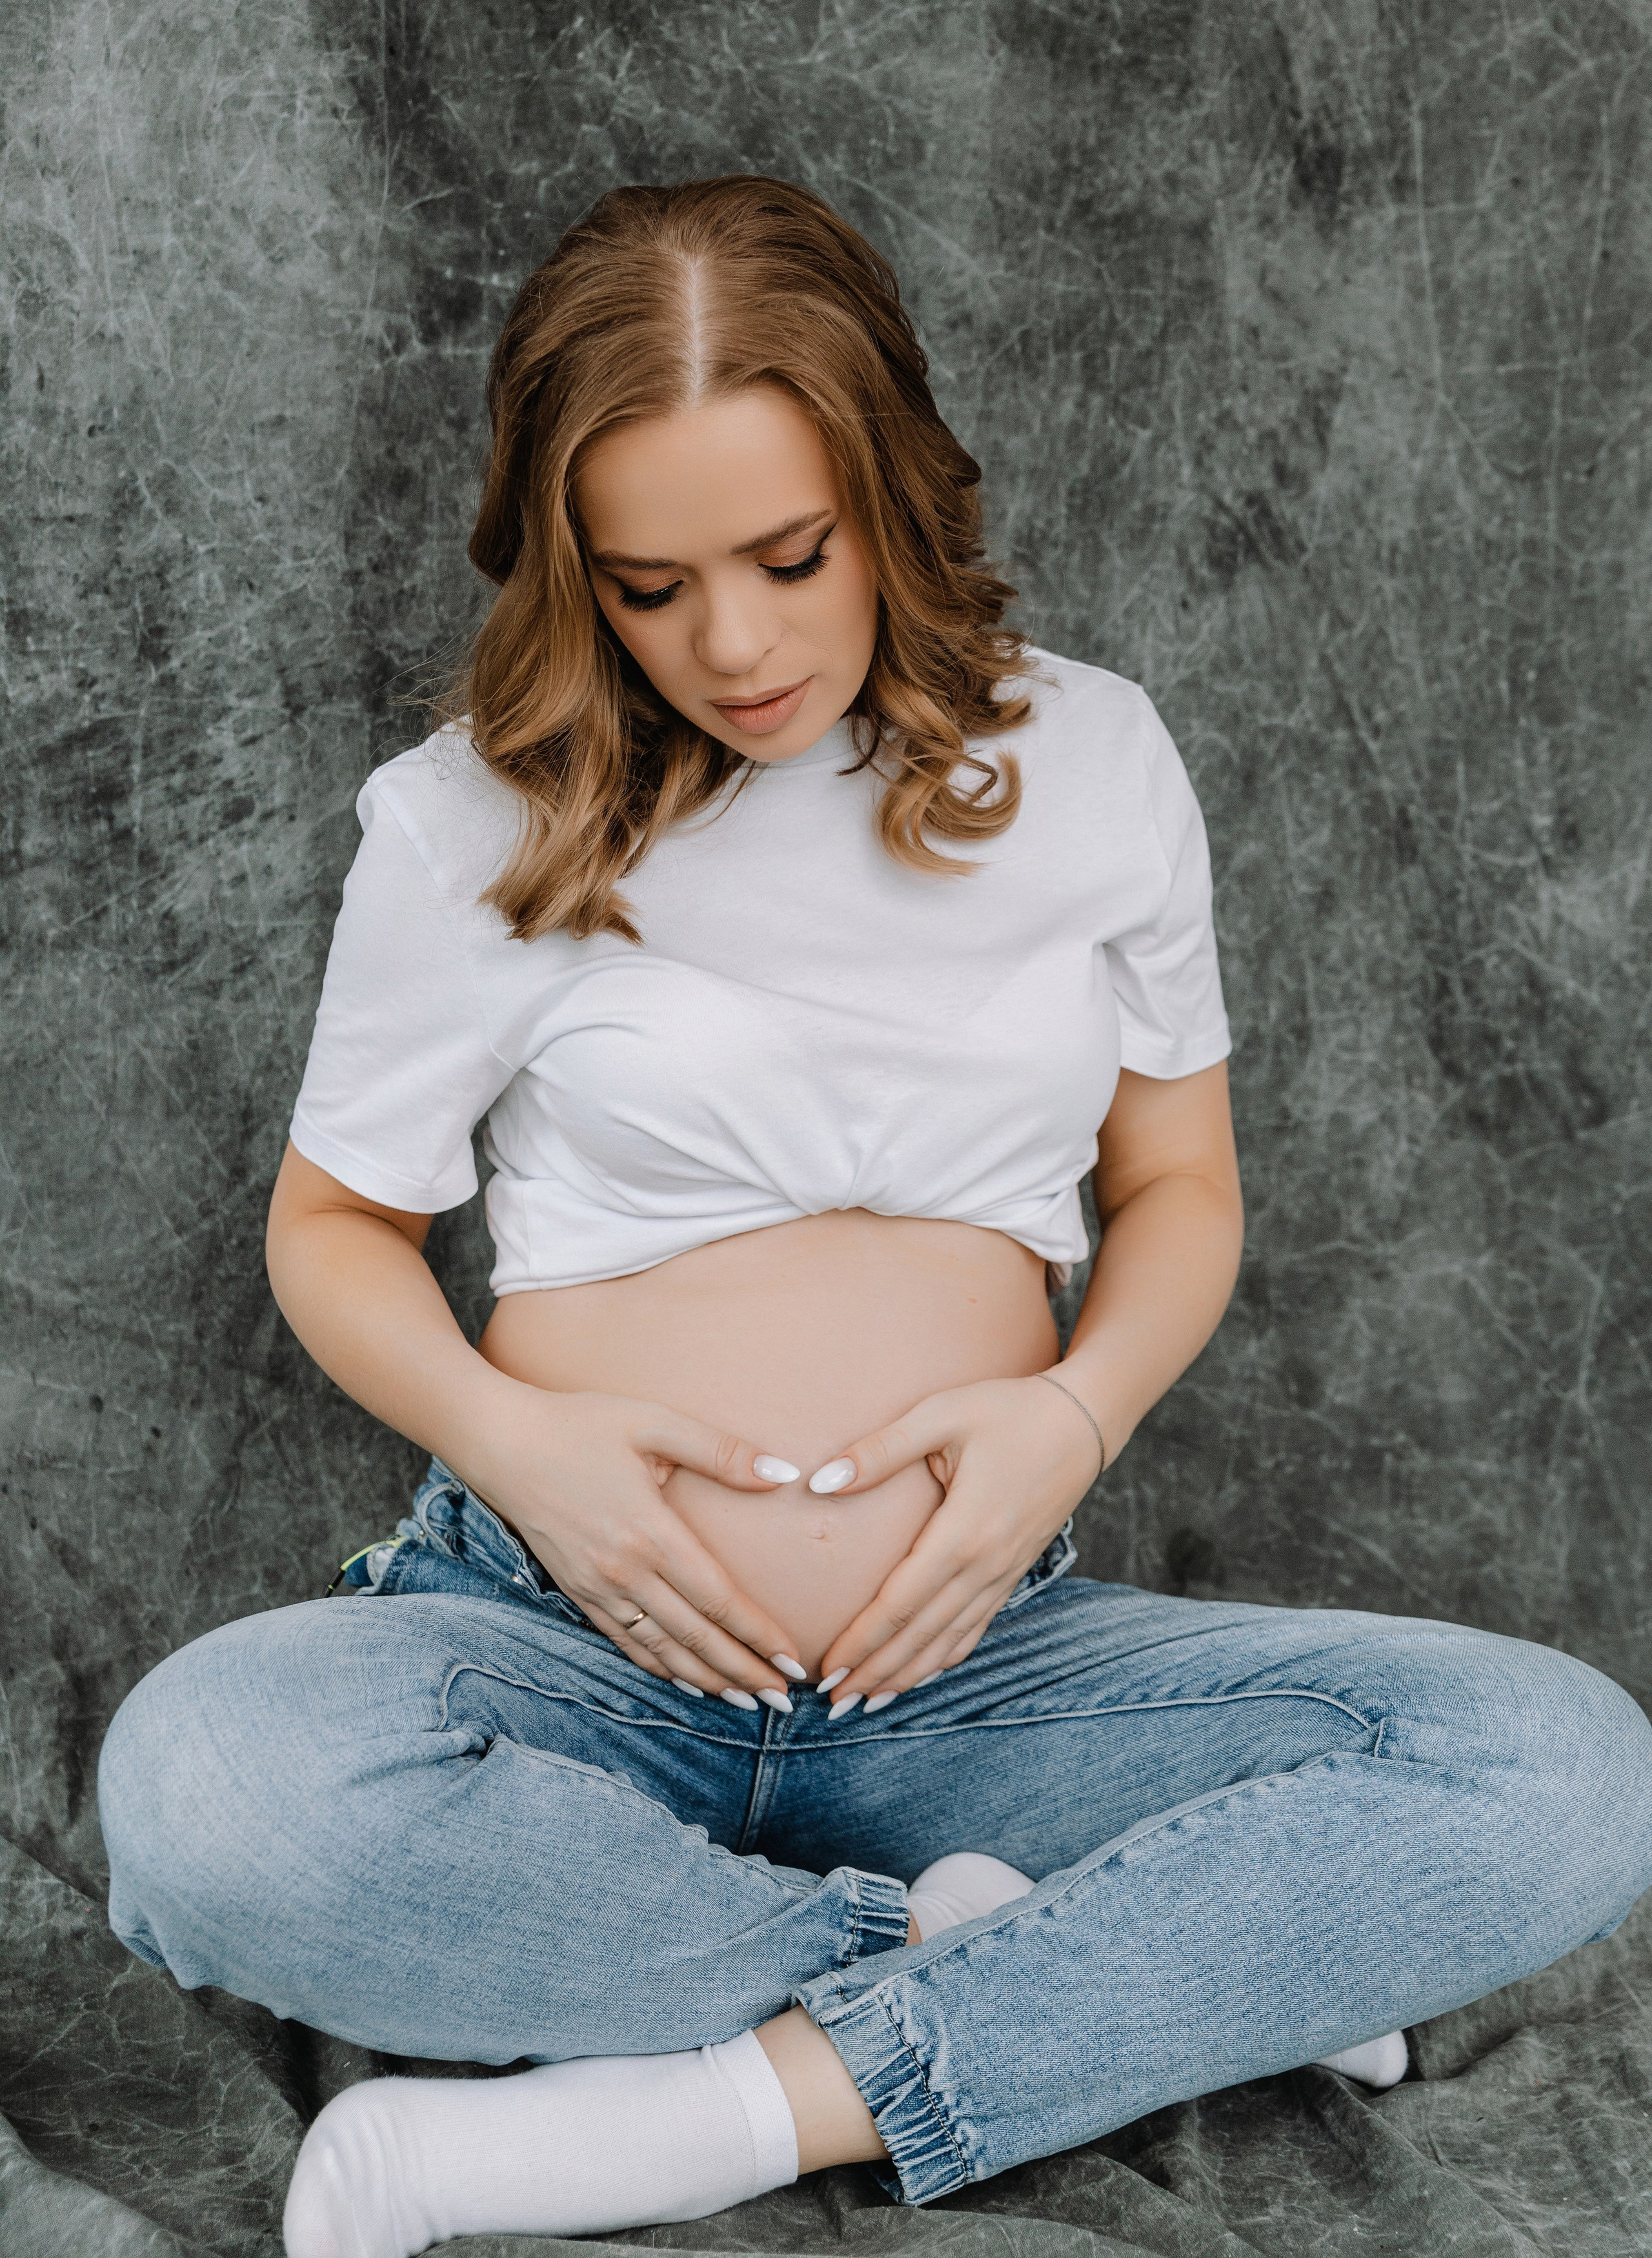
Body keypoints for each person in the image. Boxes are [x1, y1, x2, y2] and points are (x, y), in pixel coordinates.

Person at [97, 177, 1652, 2258]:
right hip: (572, 1643)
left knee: (1560, 1767)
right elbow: (331, 1231)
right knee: (208, 1794)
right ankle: (1086, 1991)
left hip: (981, 1662)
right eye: (649, 586)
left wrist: (1073, 1422)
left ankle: (730, 2107)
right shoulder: (476, 808)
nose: (730, 645)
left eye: (789, 557)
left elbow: (1178, 1187)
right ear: (576, 568)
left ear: (893, 496)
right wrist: (522, 1450)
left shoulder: (1094, 763)